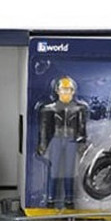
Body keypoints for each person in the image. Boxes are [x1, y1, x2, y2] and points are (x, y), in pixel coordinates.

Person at [37, 76, 88, 208]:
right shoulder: (49, 109)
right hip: (56, 141)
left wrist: (82, 143)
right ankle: (51, 198)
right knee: (54, 170)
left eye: (68, 89)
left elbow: (82, 128)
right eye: (63, 89)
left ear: (73, 91)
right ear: (57, 91)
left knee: (69, 171)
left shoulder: (79, 109)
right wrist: (43, 145)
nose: (65, 92)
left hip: (71, 141)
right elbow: (44, 129)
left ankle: (69, 199)